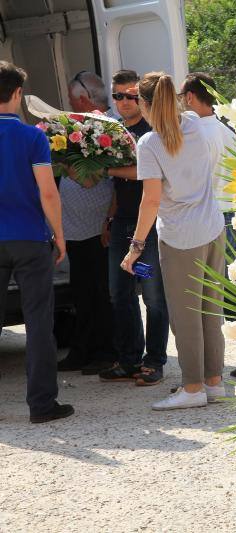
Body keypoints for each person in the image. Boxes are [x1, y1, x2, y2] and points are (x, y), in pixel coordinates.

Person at [120, 71, 226, 410]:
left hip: (181, 237)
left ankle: (192, 386)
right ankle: (213, 381)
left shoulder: (150, 144)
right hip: (213, 228)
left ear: (145, 104)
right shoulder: (193, 122)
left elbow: (150, 201)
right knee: (210, 310)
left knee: (185, 315)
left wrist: (135, 248)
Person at [0, 61, 73, 423]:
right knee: (38, 322)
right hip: (29, 238)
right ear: (17, 95)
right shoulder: (32, 137)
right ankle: (42, 405)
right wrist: (59, 235)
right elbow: (48, 193)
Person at [98, 69, 170, 386]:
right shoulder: (112, 132)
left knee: (152, 296)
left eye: (130, 96)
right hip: (123, 222)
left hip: (148, 228)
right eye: (118, 96)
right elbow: (117, 186)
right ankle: (128, 359)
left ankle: (154, 361)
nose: (124, 102)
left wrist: (109, 168)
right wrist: (109, 219)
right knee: (119, 293)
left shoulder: (151, 132)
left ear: (140, 98)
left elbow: (145, 176)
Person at [179, 72, 236, 378]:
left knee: (208, 293)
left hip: (209, 215)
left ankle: (212, 364)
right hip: (232, 213)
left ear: (192, 97)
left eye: (183, 97)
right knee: (235, 289)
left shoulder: (195, 134)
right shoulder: (227, 131)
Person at [55, 70, 116, 375]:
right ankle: (84, 350)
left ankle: (105, 351)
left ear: (84, 98)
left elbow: (91, 179)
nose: (69, 103)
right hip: (78, 229)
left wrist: (61, 158)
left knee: (100, 292)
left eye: (71, 98)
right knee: (83, 292)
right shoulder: (82, 127)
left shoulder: (105, 129)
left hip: (97, 228)